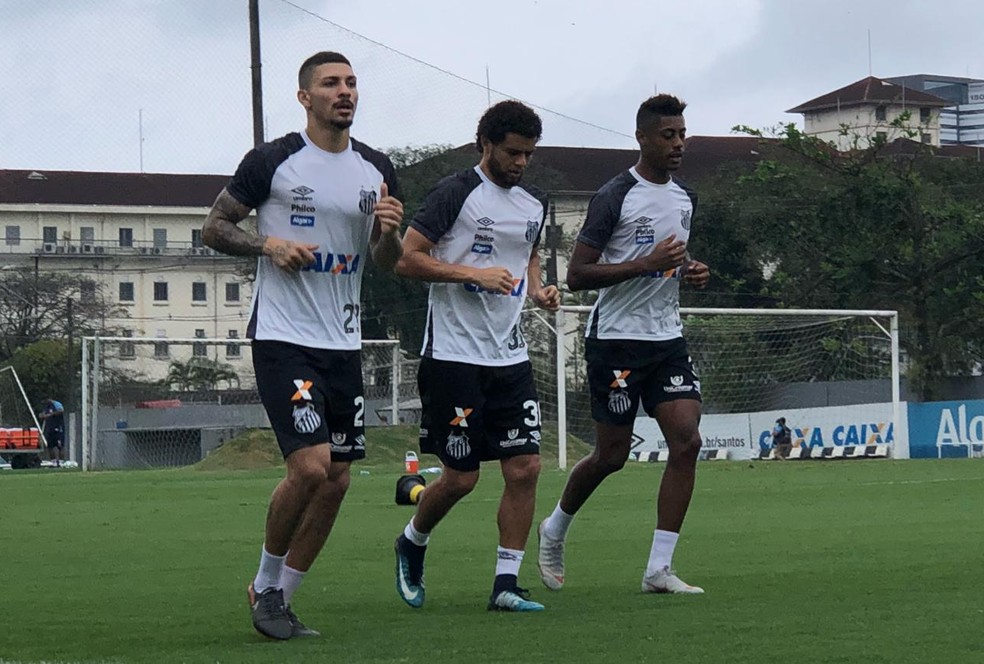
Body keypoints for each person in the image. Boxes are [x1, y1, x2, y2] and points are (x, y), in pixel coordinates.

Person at [202, 50, 404, 640]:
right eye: (330, 83)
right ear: (305, 97)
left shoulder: (377, 168)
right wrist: (269, 246)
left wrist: (387, 232)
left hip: (342, 341)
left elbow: (386, 263)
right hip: (284, 336)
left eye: (351, 83)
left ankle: (280, 600)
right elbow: (214, 227)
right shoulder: (275, 160)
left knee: (337, 477)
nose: (345, 92)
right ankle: (265, 583)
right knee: (312, 468)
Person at [537, 94, 710, 596]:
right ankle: (555, 528)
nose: (678, 144)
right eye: (667, 135)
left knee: (687, 440)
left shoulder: (685, 197)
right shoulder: (615, 195)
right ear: (642, 138)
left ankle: (658, 568)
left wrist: (690, 269)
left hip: (666, 339)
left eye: (682, 134)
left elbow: (672, 256)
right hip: (615, 340)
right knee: (611, 455)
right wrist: (647, 264)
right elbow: (578, 274)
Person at [393, 100, 560, 613]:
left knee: (526, 467)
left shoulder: (534, 202)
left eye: (529, 154)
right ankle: (412, 540)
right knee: (462, 478)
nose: (521, 163)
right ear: (485, 144)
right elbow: (408, 258)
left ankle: (505, 584)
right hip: (452, 356)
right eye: (512, 152)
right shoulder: (455, 192)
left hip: (508, 356)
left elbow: (526, 250)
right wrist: (472, 274)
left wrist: (537, 288)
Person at [38, 398, 65, 467]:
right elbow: (43, 414)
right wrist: (42, 415)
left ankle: (61, 462)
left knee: (59, 445)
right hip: (50, 428)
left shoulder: (56, 404)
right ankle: (53, 462)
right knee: (50, 445)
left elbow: (61, 411)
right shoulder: (46, 406)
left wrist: (51, 414)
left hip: (58, 427)